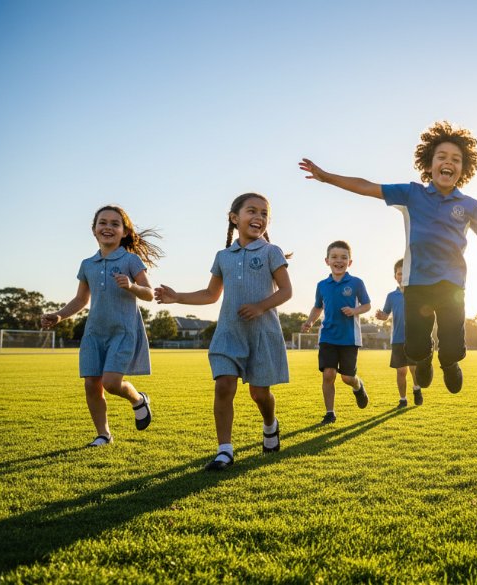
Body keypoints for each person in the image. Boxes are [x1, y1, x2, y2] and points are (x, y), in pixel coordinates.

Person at [299, 121, 477, 395]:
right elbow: (368, 186)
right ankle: (424, 359)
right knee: (415, 348)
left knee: (453, 346)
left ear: (463, 169)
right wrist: (328, 177)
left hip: (452, 285)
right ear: (429, 164)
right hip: (416, 284)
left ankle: (450, 363)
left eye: (456, 159)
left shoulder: (469, 206)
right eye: (441, 157)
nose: (448, 163)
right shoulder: (411, 194)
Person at [155, 193, 292, 471]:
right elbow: (210, 294)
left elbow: (287, 291)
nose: (258, 217)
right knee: (224, 386)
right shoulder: (223, 256)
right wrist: (176, 297)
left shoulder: (271, 252)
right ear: (234, 218)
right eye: (251, 211)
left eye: (264, 213)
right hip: (229, 333)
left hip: (262, 333)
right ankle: (225, 451)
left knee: (259, 393)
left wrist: (260, 306)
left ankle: (270, 425)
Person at [42, 205, 162, 447]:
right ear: (94, 230)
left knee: (111, 383)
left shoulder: (131, 260)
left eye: (115, 224)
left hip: (123, 331)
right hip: (94, 332)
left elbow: (149, 293)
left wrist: (131, 286)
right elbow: (81, 300)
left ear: (125, 232)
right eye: (103, 223)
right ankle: (103, 435)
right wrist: (59, 316)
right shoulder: (88, 264)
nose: (108, 227)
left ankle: (138, 399)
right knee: (92, 385)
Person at [302, 241, 372, 423]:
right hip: (328, 337)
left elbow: (367, 305)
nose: (338, 261)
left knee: (347, 377)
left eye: (343, 257)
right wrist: (310, 321)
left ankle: (358, 386)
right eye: (334, 257)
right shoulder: (322, 285)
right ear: (327, 260)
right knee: (329, 374)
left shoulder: (356, 282)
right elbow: (317, 307)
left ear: (350, 262)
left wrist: (354, 311)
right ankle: (330, 413)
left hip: (349, 338)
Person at [374, 259, 422, 408]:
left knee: (414, 369)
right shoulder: (391, 296)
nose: (402, 276)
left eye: (405, 273)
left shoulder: (418, 294)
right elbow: (386, 314)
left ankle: (417, 388)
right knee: (401, 371)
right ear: (395, 276)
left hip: (414, 338)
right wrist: (382, 316)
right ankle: (403, 399)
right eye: (399, 273)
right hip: (397, 339)